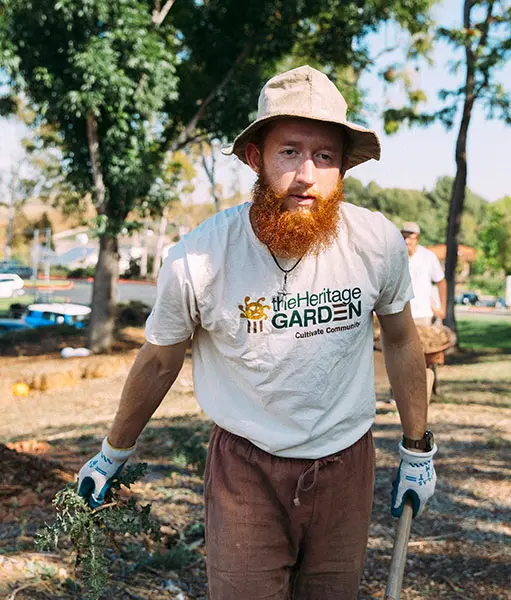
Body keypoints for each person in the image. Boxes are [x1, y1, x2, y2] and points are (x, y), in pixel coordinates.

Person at [77, 65, 437, 600]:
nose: (306, 175)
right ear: (256, 158)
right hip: (245, 467)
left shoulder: (376, 242)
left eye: (325, 156)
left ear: (342, 168)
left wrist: (417, 449)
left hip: (346, 461)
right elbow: (158, 361)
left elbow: (404, 341)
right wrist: (113, 452)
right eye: (289, 151)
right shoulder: (200, 258)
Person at [401, 222, 447, 327]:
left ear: (417, 238)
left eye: (410, 238)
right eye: (403, 237)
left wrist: (443, 309)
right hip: (402, 316)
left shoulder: (428, 256)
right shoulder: (396, 257)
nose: (407, 241)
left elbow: (441, 281)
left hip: (424, 316)